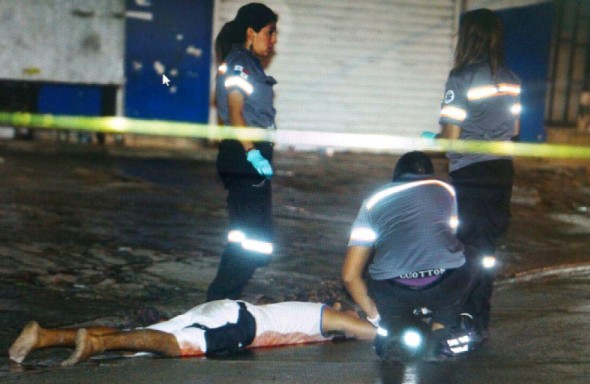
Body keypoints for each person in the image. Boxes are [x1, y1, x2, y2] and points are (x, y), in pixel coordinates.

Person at [432, 8, 521, 342]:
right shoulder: (511, 79)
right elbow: (513, 129)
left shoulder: (461, 78)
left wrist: (435, 139)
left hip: (471, 172)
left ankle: (463, 322)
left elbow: (451, 139)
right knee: (486, 251)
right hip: (502, 171)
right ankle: (479, 321)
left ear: (468, 38)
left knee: (467, 249)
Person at [342, 151, 474, 360]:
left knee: (374, 277)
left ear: (396, 176)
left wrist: (377, 317)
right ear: (429, 174)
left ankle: (393, 325)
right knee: (470, 259)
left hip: (394, 288)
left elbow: (349, 276)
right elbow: (450, 237)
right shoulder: (445, 189)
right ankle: (441, 331)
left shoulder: (372, 201)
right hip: (443, 282)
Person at [9, 299, 376, 366]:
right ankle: (97, 342)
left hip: (224, 311)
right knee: (173, 347)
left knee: (139, 336)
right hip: (241, 325)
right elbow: (367, 332)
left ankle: (45, 336)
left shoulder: (312, 317)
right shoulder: (326, 314)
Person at [207, 3, 280, 301]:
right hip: (243, 155)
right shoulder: (239, 63)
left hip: (253, 155)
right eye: (270, 32)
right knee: (248, 238)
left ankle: (229, 296)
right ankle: (217, 301)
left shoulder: (249, 63)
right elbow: (235, 114)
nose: (274, 39)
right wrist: (252, 153)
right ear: (251, 32)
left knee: (258, 240)